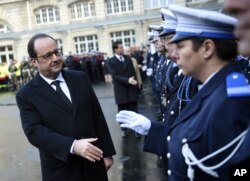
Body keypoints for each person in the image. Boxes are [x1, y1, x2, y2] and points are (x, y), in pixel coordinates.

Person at [117, 5, 250, 180]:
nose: (174, 54)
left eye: (180, 46)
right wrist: (153, 130)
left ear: (207, 48)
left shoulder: (233, 101)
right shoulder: (210, 87)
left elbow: (239, 171)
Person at [15, 33, 116, 181]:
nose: (55, 58)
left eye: (56, 52)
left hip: (94, 161)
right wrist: (73, 146)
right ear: (34, 62)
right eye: (48, 56)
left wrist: (107, 153)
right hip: (61, 170)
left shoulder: (80, 78)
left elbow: (97, 116)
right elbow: (35, 132)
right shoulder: (26, 94)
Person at [107, 41, 138, 138]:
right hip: (121, 89)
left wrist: (136, 83)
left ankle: (136, 128)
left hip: (131, 88)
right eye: (120, 47)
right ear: (115, 49)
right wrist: (127, 80)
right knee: (122, 111)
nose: (122, 49)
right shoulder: (110, 61)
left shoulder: (128, 58)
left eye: (122, 47)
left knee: (133, 110)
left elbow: (133, 72)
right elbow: (115, 76)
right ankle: (124, 130)